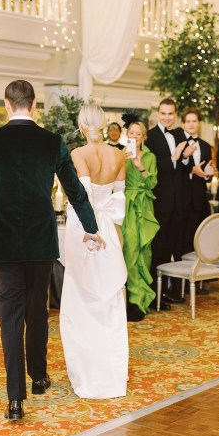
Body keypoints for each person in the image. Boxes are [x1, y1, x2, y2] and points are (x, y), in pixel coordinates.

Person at [0, 80, 102, 420]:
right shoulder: (51, 142)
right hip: (41, 238)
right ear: (34, 104)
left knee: (9, 317)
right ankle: (38, 376)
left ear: (7, 104)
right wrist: (91, 227)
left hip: (4, 241)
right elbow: (74, 190)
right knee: (37, 307)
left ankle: (15, 399)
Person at [60, 104, 128, 399]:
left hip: (85, 229)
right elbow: (119, 197)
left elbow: (79, 199)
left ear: (81, 123)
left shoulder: (78, 154)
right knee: (109, 300)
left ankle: (87, 373)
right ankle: (112, 376)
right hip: (109, 230)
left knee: (82, 300)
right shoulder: (119, 155)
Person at [145, 98, 192, 309]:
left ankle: (171, 290)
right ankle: (156, 295)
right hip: (161, 201)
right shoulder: (152, 136)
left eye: (170, 113)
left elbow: (185, 168)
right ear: (158, 113)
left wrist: (185, 158)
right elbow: (152, 165)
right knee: (159, 249)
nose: (167, 117)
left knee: (174, 247)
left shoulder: (180, 134)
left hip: (178, 202)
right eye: (163, 113)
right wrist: (174, 157)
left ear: (175, 114)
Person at [121, 115, 159, 322]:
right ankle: (130, 300)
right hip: (126, 205)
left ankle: (142, 300)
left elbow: (152, 183)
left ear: (143, 137)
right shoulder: (120, 155)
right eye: (131, 133)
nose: (134, 137)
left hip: (144, 206)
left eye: (138, 134)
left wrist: (138, 164)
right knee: (129, 250)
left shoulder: (150, 157)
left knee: (144, 252)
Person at [176, 107, 214, 256]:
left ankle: (196, 275)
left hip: (199, 199)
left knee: (197, 238)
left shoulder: (205, 146)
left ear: (199, 123)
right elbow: (176, 169)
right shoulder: (177, 142)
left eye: (194, 121)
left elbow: (207, 173)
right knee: (180, 238)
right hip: (180, 198)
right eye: (188, 121)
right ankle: (179, 276)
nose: (191, 124)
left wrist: (207, 175)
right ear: (183, 123)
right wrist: (192, 169)